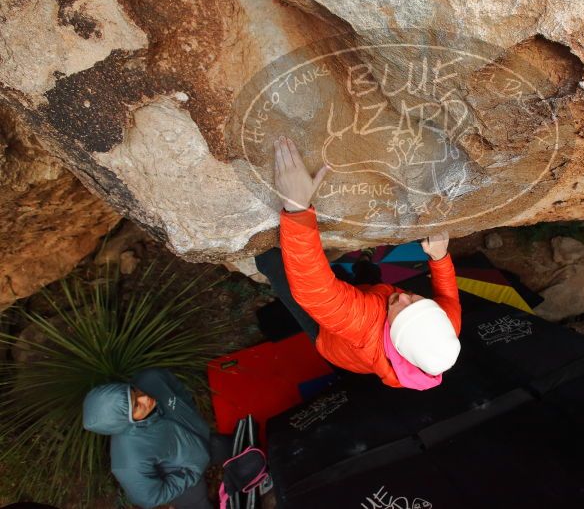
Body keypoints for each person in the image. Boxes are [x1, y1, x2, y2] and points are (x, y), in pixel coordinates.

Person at [255, 135, 462, 390]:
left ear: (392, 336)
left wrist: (297, 207)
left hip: (328, 338)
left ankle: (261, 255)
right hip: (368, 301)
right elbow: (449, 299)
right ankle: (365, 261)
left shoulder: (364, 325)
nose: (404, 296)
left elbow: (315, 293)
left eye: (402, 310)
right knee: (372, 283)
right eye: (418, 301)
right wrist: (440, 258)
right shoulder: (442, 328)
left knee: (274, 264)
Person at [82, 368, 232, 509]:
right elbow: (148, 498)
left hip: (205, 441)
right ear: (124, 421)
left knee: (236, 446)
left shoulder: (152, 379)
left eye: (134, 391)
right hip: (185, 479)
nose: (145, 398)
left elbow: (178, 390)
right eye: (136, 406)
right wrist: (189, 476)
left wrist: (191, 417)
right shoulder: (128, 458)